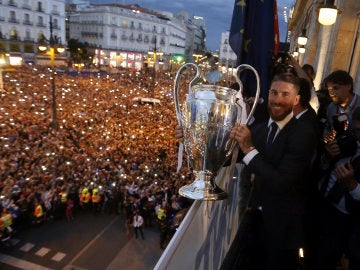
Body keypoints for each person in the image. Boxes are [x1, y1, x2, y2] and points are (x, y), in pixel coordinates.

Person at [228, 73, 318, 270]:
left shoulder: (303, 134)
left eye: (285, 94)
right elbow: (230, 160)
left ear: (296, 100)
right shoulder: (259, 130)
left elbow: (281, 182)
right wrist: (194, 140)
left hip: (281, 231)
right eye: (274, 93)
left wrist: (249, 149)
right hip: (252, 223)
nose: (277, 100)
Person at [314, 106, 360, 270]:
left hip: (345, 218)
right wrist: (327, 155)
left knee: (326, 259)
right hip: (322, 203)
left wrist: (352, 184)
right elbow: (322, 168)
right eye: (356, 129)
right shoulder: (348, 139)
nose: (357, 135)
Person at [323, 70, 360, 136]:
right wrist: (327, 135)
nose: (332, 93)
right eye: (330, 90)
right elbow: (328, 127)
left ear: (348, 86)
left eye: (336, 88)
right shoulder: (331, 108)